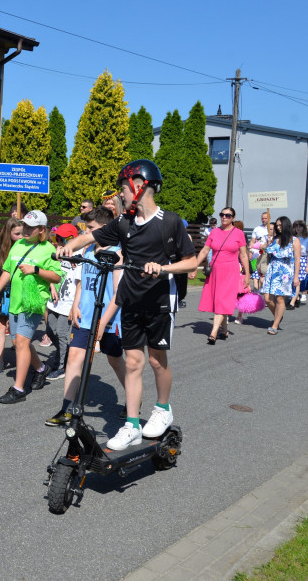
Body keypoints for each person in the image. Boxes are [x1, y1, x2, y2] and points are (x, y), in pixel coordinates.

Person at [58, 159, 197, 450]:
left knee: (158, 361)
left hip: (159, 301)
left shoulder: (170, 222)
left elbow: (191, 262)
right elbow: (92, 235)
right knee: (133, 362)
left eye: (123, 188)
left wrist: (164, 269)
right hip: (131, 302)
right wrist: (72, 246)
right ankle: (132, 425)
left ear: (139, 185)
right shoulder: (124, 223)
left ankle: (162, 409)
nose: (121, 194)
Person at [45, 207, 126, 426]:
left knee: (115, 361)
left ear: (104, 229)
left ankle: (132, 400)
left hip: (107, 319)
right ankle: (67, 409)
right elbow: (81, 281)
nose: (86, 233)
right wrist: (75, 305)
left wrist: (104, 323)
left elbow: (118, 293)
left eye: (90, 229)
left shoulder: (118, 252)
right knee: (74, 357)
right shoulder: (88, 249)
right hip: (85, 317)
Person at [0, 210, 63, 404]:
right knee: (19, 342)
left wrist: (36, 270)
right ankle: (41, 369)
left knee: (21, 342)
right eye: (25, 226)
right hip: (14, 301)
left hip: (33, 303)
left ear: (42, 230)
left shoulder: (48, 249)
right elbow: (7, 271)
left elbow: (57, 276)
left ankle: (18, 388)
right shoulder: (18, 245)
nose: (26, 230)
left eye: (31, 227)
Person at [195, 207, 250, 343]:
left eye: (228, 215)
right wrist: (194, 266)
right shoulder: (214, 232)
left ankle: (213, 332)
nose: (224, 217)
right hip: (215, 271)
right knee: (219, 300)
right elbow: (204, 251)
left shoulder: (238, 234)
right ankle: (224, 331)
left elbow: (243, 255)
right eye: (222, 215)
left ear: (233, 218)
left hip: (230, 272)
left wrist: (247, 274)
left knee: (221, 300)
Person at [0, 218, 23, 374]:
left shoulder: (26, 247)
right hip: (3, 290)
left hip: (20, 289)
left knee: (19, 330)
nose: (21, 236)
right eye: (17, 234)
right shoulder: (1, 248)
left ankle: (26, 363)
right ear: (8, 234)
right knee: (0, 325)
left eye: (22, 233)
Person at [44, 223, 81, 381]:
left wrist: (75, 306)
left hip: (68, 302)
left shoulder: (79, 255)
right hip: (55, 299)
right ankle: (63, 356)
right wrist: (52, 285)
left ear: (72, 239)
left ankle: (62, 366)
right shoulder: (57, 251)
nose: (57, 241)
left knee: (61, 333)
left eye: (61, 238)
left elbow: (79, 282)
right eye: (56, 237)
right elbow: (51, 270)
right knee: (51, 331)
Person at [261, 216, 301, 334]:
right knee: (267, 299)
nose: (278, 228)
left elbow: (297, 259)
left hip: (285, 272)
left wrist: (296, 277)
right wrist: (267, 244)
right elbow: (266, 251)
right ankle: (278, 316)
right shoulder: (275, 239)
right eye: (277, 226)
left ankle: (275, 324)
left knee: (279, 298)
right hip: (272, 270)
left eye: (280, 225)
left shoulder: (294, 240)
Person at [291, 220, 308, 306]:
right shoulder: (292, 238)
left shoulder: (307, 240)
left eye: (300, 226)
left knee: (298, 281)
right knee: (291, 281)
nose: (298, 228)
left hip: (302, 260)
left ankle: (292, 301)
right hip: (292, 260)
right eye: (296, 227)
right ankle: (296, 297)